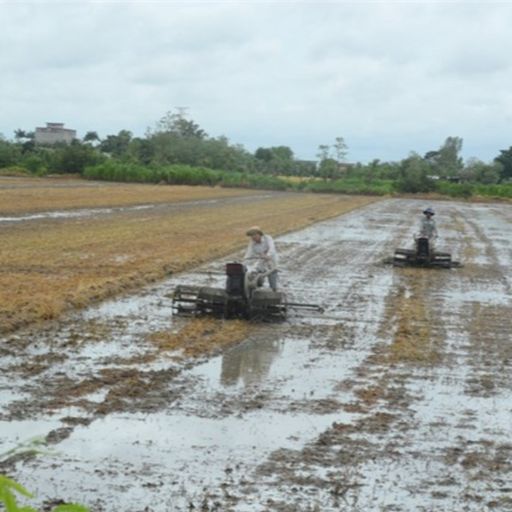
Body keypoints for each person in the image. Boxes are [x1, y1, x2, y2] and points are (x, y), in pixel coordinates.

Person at [244, 226, 278, 291]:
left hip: (271, 260)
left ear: (259, 234)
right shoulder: (252, 243)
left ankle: (274, 289)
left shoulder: (267, 238)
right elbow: (248, 253)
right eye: (251, 235)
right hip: (261, 261)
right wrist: (244, 262)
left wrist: (267, 255)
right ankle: (256, 288)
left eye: (254, 235)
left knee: (272, 275)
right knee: (255, 275)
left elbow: (272, 248)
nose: (253, 237)